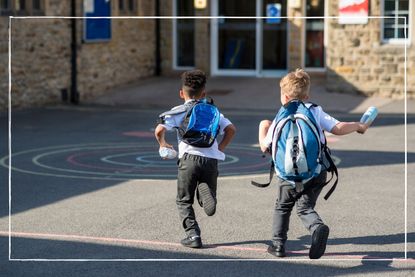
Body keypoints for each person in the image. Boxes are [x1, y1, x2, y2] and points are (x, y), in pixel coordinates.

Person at [258, 68, 369, 259]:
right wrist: (358, 126)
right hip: (315, 171)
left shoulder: (280, 115)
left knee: (282, 207)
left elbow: (265, 146)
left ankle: (277, 245)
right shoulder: (314, 110)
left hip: (287, 175)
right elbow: (338, 128)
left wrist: (263, 127)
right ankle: (317, 227)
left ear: (284, 96)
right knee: (304, 207)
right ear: (307, 95)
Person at [155, 69, 236, 248]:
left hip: (188, 159)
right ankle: (207, 194)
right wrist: (220, 148)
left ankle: (193, 235)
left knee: (183, 200)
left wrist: (163, 144)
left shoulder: (179, 111)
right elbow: (231, 129)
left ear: (181, 93)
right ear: (204, 93)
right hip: (211, 160)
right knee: (206, 195)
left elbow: (159, 130)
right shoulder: (214, 111)